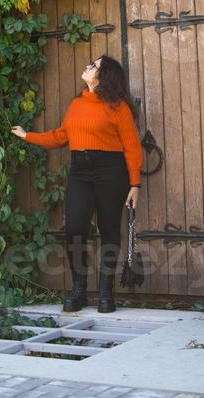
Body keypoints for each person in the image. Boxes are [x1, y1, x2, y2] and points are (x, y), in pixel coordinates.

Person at [11, 55, 143, 313]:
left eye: (93, 66)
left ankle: (106, 293)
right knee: (74, 228)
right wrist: (28, 136)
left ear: (103, 76)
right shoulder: (77, 103)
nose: (87, 67)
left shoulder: (119, 107)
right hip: (80, 172)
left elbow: (132, 148)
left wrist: (135, 184)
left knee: (109, 229)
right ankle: (79, 290)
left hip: (110, 171)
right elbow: (61, 136)